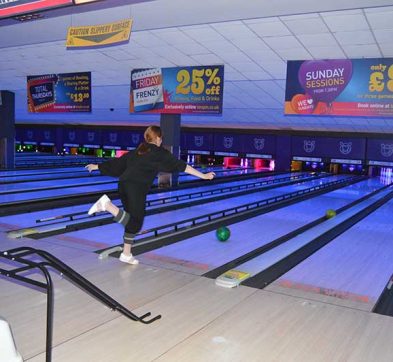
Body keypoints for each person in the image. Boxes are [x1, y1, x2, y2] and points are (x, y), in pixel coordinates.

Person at [85, 125, 215, 265]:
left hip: (123, 185)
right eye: (161, 138)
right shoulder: (159, 153)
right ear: (158, 138)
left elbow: (117, 163)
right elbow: (182, 166)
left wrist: (97, 166)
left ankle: (126, 254)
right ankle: (106, 205)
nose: (161, 141)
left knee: (131, 219)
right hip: (136, 187)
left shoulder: (139, 151)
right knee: (135, 224)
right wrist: (203, 175)